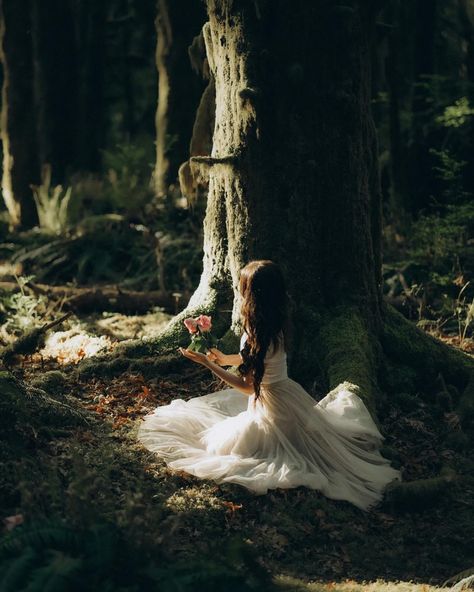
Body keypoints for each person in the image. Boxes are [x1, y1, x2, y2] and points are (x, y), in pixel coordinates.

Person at [138, 260, 400, 511]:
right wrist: (225, 358)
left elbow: (248, 387)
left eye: (243, 287)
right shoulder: (273, 324)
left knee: (227, 448)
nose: (239, 292)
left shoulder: (257, 332)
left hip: (271, 406)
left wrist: (207, 364)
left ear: (253, 294)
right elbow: (255, 359)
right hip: (286, 395)